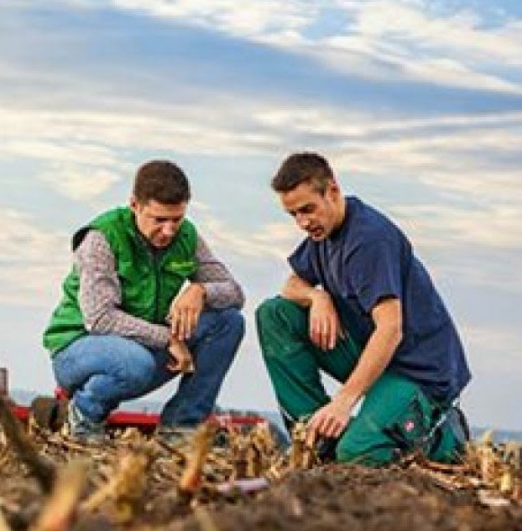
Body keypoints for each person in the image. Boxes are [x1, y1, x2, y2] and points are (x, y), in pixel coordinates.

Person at [256, 152, 471, 465]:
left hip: (417, 371)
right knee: (275, 314)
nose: (303, 222)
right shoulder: (322, 233)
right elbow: (291, 285)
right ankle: (316, 437)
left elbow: (390, 328)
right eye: (294, 215)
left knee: (357, 452)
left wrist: (344, 402)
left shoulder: (369, 240)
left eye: (307, 210)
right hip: (372, 354)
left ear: (332, 191)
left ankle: (444, 436)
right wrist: (318, 298)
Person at [42, 159, 245, 442]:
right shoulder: (101, 238)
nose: (169, 231)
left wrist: (200, 290)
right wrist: (168, 338)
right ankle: (83, 416)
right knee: (135, 363)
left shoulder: (187, 237)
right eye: (159, 220)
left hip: (143, 347)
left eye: (177, 219)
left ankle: (181, 428)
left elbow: (235, 293)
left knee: (228, 321)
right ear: (135, 205)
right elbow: (100, 319)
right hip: (79, 349)